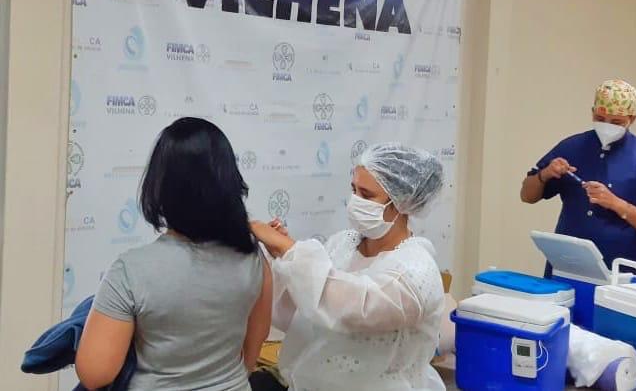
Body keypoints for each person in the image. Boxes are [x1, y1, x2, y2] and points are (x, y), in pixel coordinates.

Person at [76, 117, 272, 390]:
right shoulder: (253, 259)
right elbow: (252, 352)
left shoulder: (130, 270)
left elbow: (96, 374)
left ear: (160, 185)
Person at [251, 143, 446, 391]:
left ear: (402, 202)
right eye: (354, 190)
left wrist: (291, 250)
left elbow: (357, 309)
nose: (355, 201)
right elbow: (308, 311)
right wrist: (282, 261)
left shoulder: (416, 270)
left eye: (367, 195)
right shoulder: (343, 244)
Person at [520, 79, 636, 268]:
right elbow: (527, 196)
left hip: (621, 272)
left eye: (616, 122)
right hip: (568, 267)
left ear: (632, 119)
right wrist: (544, 175)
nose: (607, 126)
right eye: (600, 119)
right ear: (592, 112)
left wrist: (617, 204)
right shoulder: (572, 147)